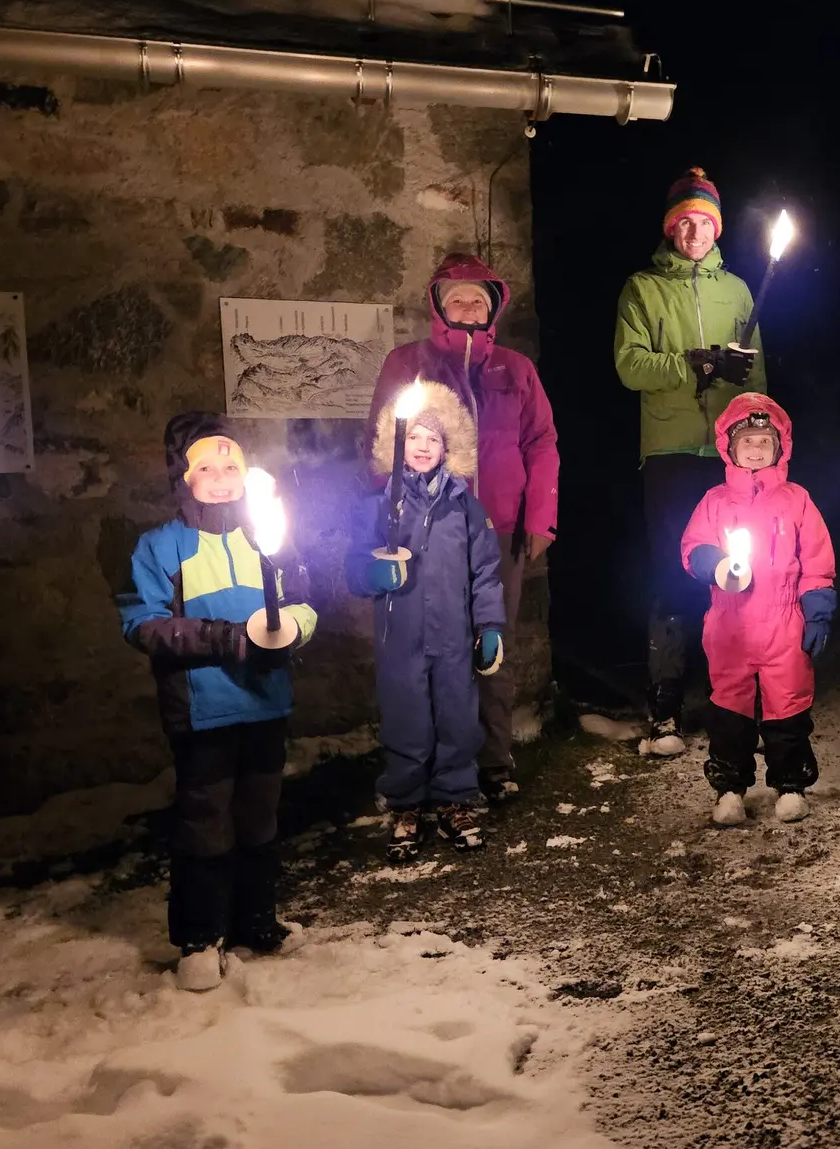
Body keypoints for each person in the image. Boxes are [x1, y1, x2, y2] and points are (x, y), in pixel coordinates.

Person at [119, 412, 318, 991]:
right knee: (206, 822)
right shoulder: (160, 547)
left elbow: (302, 602)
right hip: (202, 711)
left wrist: (289, 633)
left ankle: (256, 920)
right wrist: (225, 638)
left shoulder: (265, 536)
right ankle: (200, 937)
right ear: (182, 476)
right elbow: (143, 623)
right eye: (206, 466)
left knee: (259, 817)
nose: (222, 476)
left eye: (231, 464)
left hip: (264, 704)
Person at [366, 253, 558, 803]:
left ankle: (493, 763)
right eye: (456, 298)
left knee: (491, 645)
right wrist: (388, 518)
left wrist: (540, 518)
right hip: (426, 532)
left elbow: (541, 443)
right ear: (439, 307)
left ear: (492, 305)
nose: (468, 305)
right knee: (425, 649)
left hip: (497, 530)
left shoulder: (516, 370)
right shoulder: (408, 363)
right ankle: (422, 769)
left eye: (478, 297)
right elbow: (381, 442)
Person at [614, 167, 767, 756]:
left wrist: (762, 437)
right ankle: (666, 703)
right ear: (671, 229)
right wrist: (693, 365)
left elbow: (759, 373)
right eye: (684, 223)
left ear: (716, 229)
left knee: (737, 570)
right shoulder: (643, 288)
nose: (694, 232)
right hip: (672, 451)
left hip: (730, 453)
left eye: (704, 223)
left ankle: (731, 694)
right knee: (674, 571)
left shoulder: (738, 292)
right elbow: (630, 365)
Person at [352, 379, 507, 856]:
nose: (422, 446)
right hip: (401, 637)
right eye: (414, 437)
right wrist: (374, 572)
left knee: (458, 718)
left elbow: (485, 571)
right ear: (396, 444)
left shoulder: (465, 508)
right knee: (407, 719)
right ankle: (406, 803)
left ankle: (455, 798)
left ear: (448, 447)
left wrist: (489, 627)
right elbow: (356, 567)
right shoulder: (379, 508)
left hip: (454, 637)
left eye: (433, 438)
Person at [680, 394, 835, 827]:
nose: (754, 448)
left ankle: (790, 785)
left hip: (784, 620)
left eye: (764, 441)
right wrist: (711, 563)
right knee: (730, 708)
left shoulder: (796, 499)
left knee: (787, 705)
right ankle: (730, 788)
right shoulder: (714, 501)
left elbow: (817, 560)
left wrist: (817, 608)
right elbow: (692, 548)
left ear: (779, 448)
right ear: (728, 447)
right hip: (730, 622)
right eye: (746, 440)